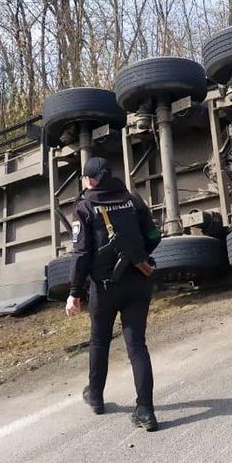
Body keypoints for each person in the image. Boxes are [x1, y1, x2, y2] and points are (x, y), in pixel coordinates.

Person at [65, 156, 162, 431]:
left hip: (105, 288)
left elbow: (82, 253)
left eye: (85, 178)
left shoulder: (84, 207)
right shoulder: (133, 200)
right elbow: (154, 237)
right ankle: (145, 410)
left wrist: (75, 292)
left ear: (91, 180)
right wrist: (139, 258)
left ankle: (95, 396)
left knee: (99, 341)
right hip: (138, 284)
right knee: (137, 347)